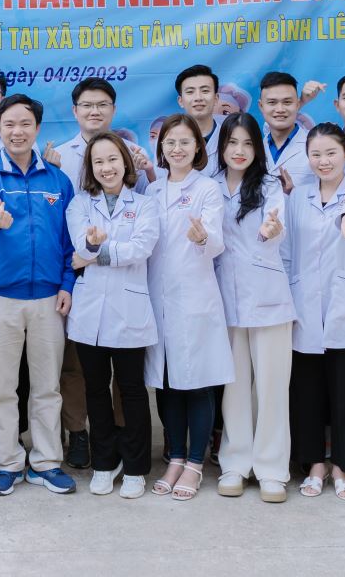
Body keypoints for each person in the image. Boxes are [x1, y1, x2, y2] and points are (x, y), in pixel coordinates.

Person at [0, 93, 78, 496]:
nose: (17, 131)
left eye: (25, 124)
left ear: (37, 128)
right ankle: (8, 463)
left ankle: (46, 462)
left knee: (47, 386)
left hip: (48, 298)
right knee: (1, 387)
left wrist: (67, 284)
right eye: (9, 124)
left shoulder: (58, 181)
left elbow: (69, 240)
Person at [44, 76, 152, 468]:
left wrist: (92, 256)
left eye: (102, 104)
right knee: (79, 368)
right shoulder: (58, 156)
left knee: (126, 375)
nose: (94, 111)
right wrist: (81, 259)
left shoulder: (135, 154)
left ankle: (124, 440)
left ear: (113, 109)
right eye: (87, 105)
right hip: (74, 277)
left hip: (118, 281)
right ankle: (79, 433)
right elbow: (69, 232)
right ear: (74, 111)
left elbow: (144, 226)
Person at [283, 123, 345, 503]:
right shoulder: (298, 196)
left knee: (344, 395)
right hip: (304, 306)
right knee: (306, 393)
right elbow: (287, 249)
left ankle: (342, 467)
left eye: (331, 153)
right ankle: (314, 466)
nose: (323, 161)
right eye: (316, 154)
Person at [65, 132, 159, 499]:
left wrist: (94, 254)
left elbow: (142, 247)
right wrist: (90, 247)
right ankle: (104, 463)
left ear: (126, 162)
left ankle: (135, 467)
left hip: (129, 309)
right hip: (90, 311)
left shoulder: (145, 204)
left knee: (132, 390)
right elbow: (79, 246)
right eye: (98, 161)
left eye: (113, 159)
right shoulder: (79, 205)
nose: (106, 167)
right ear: (90, 168)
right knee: (95, 389)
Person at [144, 113, 232, 501]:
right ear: (160, 148)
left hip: (194, 298)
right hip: (156, 299)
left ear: (198, 147)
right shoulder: (151, 190)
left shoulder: (207, 188)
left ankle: (195, 463)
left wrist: (201, 237)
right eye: (170, 142)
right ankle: (175, 457)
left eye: (184, 142)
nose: (177, 149)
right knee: (166, 384)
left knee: (197, 383)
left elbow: (216, 242)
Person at [211, 113, 296, 503]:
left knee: (272, 386)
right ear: (221, 147)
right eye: (232, 143)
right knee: (233, 386)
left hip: (267, 297)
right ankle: (235, 463)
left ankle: (272, 469)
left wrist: (270, 231)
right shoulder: (209, 185)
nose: (240, 151)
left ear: (257, 148)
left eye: (247, 143)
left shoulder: (270, 185)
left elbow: (276, 229)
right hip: (224, 299)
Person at [257, 71, 311, 187]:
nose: (280, 109)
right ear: (261, 106)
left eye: (287, 102)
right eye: (272, 102)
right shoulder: (255, 150)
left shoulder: (314, 146)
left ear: (297, 104)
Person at [173, 65, 225, 176]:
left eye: (205, 91)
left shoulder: (229, 138)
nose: (198, 98)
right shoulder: (167, 141)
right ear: (180, 101)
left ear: (216, 98)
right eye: (190, 92)